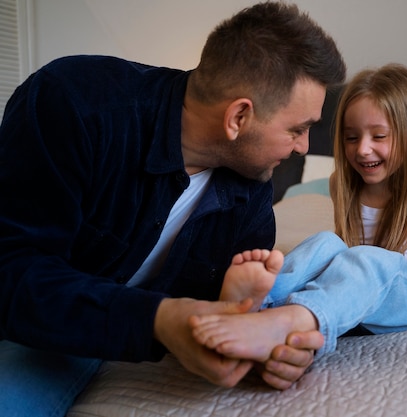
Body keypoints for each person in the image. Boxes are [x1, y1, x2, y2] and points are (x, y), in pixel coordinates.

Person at [0, 2, 346, 415]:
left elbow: (226, 314)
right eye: (298, 129)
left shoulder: (250, 191)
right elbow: (10, 268)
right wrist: (158, 320)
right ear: (238, 116)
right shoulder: (75, 104)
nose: (304, 147)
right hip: (32, 333)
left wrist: (260, 349)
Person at [190, 63, 407, 362]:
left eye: (379, 136)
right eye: (351, 137)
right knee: (327, 242)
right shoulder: (342, 183)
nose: (362, 150)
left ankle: (291, 320)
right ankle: (256, 301)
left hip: (406, 306)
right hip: (355, 302)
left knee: (370, 257)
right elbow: (342, 251)